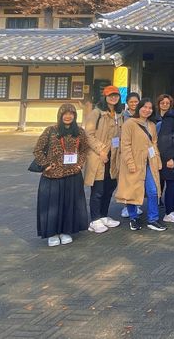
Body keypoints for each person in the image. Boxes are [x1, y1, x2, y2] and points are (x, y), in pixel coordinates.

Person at [34, 103, 90, 246]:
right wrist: (45, 164)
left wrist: (80, 164)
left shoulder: (80, 132)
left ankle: (66, 231)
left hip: (73, 174)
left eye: (71, 113)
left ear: (74, 116)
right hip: (52, 175)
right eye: (65, 113)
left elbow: (84, 149)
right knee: (52, 206)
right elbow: (38, 149)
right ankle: (52, 233)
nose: (68, 116)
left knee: (69, 204)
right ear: (60, 115)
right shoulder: (50, 131)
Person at [115, 98, 166, 231]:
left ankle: (153, 219)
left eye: (150, 108)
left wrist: (158, 159)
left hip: (150, 162)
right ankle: (133, 218)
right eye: (144, 107)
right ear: (139, 108)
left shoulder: (152, 125)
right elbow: (125, 145)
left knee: (153, 191)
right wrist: (130, 163)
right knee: (132, 190)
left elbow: (154, 144)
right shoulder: (129, 124)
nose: (147, 110)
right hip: (134, 162)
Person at [83, 85, 123, 234]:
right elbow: (88, 135)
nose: (113, 98)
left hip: (113, 157)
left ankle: (104, 216)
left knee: (109, 187)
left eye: (116, 95)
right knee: (98, 189)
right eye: (110, 95)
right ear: (105, 97)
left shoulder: (119, 114)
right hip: (98, 157)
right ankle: (94, 220)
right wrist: (101, 150)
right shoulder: (96, 113)